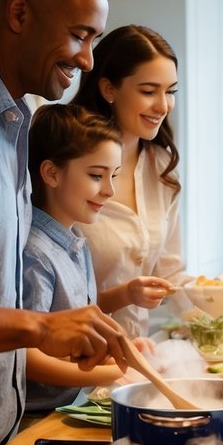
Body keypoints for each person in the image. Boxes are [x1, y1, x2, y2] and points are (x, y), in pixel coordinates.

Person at [0, 0, 126, 445]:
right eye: (79, 35)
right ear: (18, 14)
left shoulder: (13, 122)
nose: (86, 60)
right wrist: (38, 328)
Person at [70, 25, 188, 338]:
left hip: (137, 353)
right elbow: (54, 301)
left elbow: (171, 272)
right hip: (74, 362)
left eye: (171, 91)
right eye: (149, 91)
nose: (163, 106)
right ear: (108, 89)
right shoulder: (67, 166)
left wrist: (216, 325)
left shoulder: (162, 168)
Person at [23, 104, 131, 412]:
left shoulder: (77, 243)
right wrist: (118, 370)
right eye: (97, 175)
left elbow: (82, 329)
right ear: (51, 173)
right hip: (41, 418)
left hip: (76, 405)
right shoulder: (36, 254)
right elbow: (27, 360)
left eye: (114, 175)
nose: (110, 190)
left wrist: (124, 350)